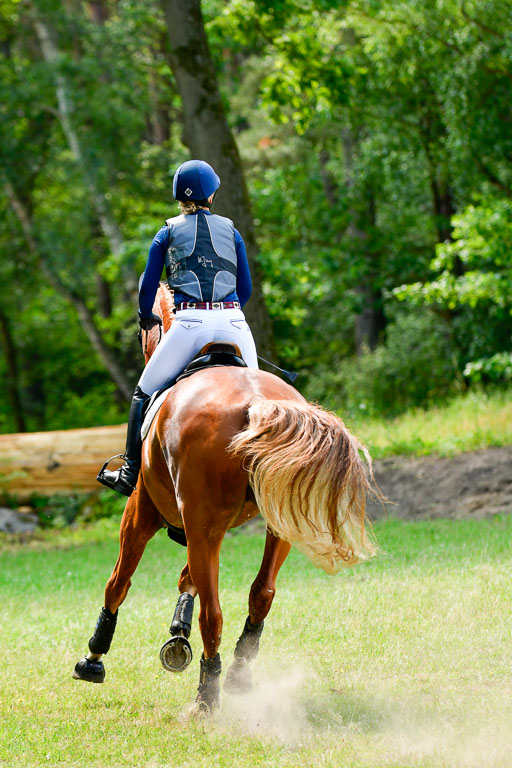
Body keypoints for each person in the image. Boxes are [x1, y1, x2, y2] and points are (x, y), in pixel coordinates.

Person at [97, 159, 258, 496]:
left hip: (190, 324)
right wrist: (227, 312)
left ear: (178, 199)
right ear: (211, 196)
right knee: (260, 401)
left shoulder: (167, 231)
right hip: (233, 322)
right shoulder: (232, 230)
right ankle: (259, 475)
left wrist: (147, 316)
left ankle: (128, 472)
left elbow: (148, 289)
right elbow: (245, 290)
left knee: (143, 393)